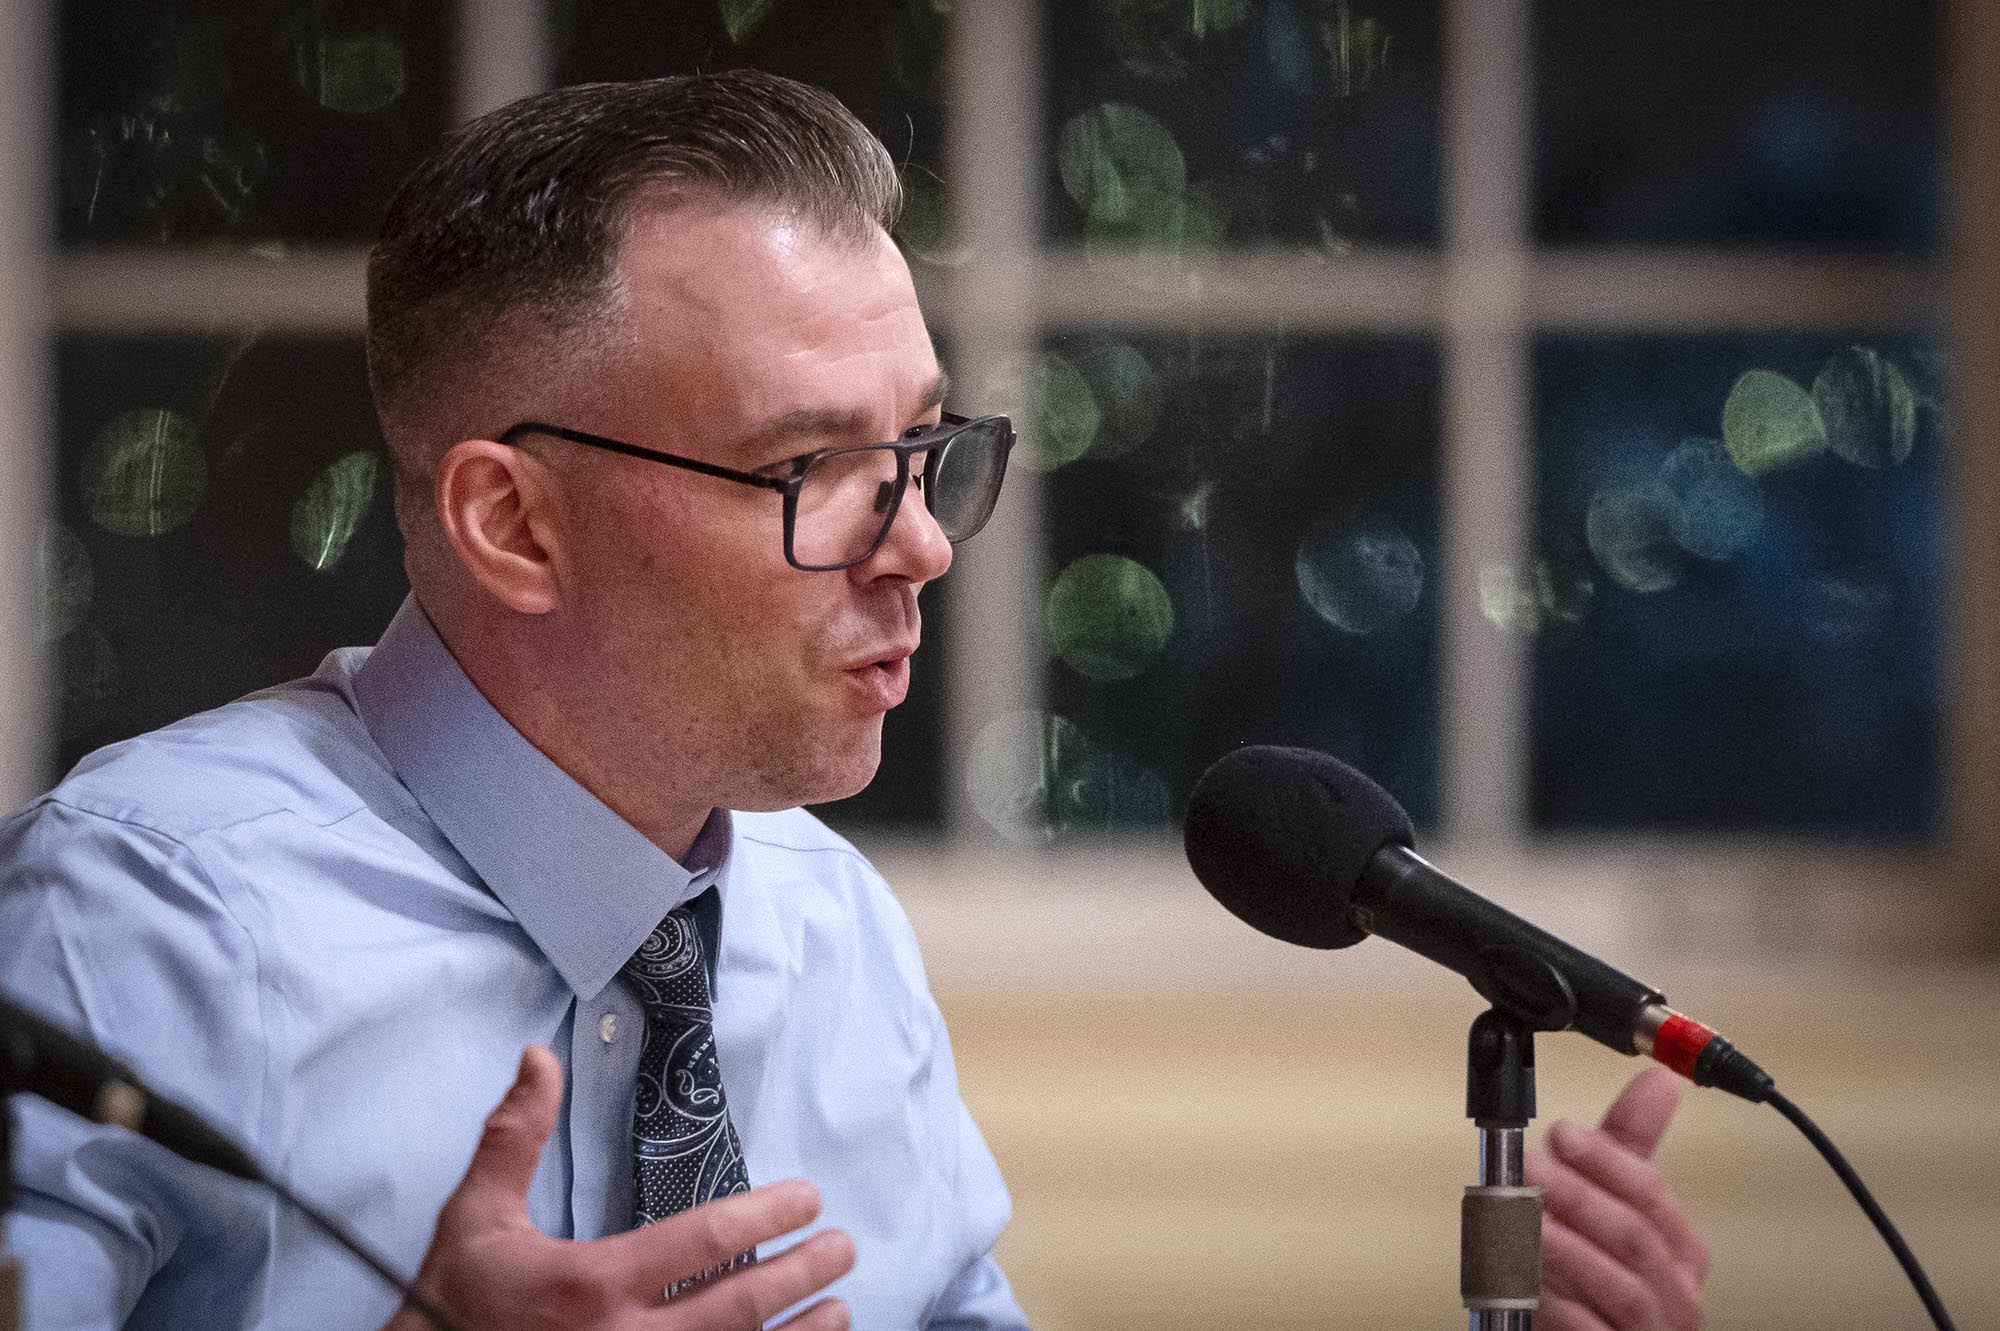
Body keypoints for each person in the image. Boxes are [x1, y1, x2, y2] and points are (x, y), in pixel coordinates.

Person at [0, 70, 1707, 1331]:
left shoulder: (829, 925)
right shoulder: (140, 914)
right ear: (511, 523)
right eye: (810, 468)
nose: (923, 553)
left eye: (923, 454)